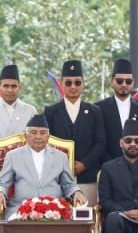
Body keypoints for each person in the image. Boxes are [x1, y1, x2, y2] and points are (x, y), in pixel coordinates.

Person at [0, 114, 86, 220]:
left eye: (43, 133)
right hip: (20, 210)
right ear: (26, 136)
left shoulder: (61, 157)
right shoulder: (13, 156)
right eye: (33, 132)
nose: (38, 137)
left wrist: (76, 192)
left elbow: (69, 184)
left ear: (48, 137)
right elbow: (2, 183)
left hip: (54, 211)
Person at [43, 59, 105, 205]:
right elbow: (46, 143)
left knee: (85, 220)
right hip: (58, 178)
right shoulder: (51, 112)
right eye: (68, 83)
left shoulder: (95, 111)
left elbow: (100, 142)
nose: (73, 87)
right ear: (61, 83)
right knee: (60, 220)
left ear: (83, 84)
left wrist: (84, 164)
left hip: (87, 177)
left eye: (77, 82)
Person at [96, 58, 138, 162]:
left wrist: (137, 162)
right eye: (119, 81)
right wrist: (111, 166)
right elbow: (98, 141)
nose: (124, 84)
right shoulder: (99, 108)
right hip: (108, 168)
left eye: (128, 81)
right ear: (112, 81)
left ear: (133, 82)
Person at [0, 64, 37, 156]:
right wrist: (0, 161)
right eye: (6, 86)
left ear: (20, 87)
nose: (10, 90)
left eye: (14, 86)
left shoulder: (30, 111)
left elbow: (36, 140)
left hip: (25, 164)